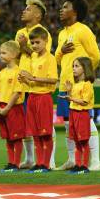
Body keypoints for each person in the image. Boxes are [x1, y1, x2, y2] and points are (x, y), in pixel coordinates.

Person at [54, 0, 100, 171]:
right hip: (65, 85)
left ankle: (95, 160)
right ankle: (72, 159)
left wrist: (84, 78)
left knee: (86, 121)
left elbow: (95, 56)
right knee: (69, 123)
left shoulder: (83, 30)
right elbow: (58, 59)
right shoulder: (61, 34)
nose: (61, 9)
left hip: (80, 86)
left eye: (65, 7)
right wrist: (62, 51)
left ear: (75, 12)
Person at [15, 0, 52, 169]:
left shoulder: (43, 33)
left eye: (28, 9)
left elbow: (39, 55)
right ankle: (31, 159)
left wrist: (24, 46)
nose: (24, 11)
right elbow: (16, 56)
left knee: (43, 125)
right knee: (27, 125)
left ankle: (47, 160)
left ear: (37, 15)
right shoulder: (20, 32)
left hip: (37, 85)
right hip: (22, 82)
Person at [19, 26, 58, 173]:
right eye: (32, 43)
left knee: (45, 133)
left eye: (37, 42)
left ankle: (45, 164)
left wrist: (32, 78)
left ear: (46, 41)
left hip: (44, 97)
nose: (34, 46)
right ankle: (39, 162)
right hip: (32, 96)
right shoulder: (33, 57)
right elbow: (32, 80)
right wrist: (25, 80)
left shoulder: (50, 58)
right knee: (35, 133)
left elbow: (53, 79)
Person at [60, 57, 96, 175]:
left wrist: (71, 98)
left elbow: (84, 101)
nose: (74, 69)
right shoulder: (76, 84)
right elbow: (73, 100)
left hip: (82, 114)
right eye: (73, 66)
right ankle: (78, 164)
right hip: (73, 113)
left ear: (85, 68)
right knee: (76, 141)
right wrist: (69, 92)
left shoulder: (87, 84)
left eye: (77, 66)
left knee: (83, 141)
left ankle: (84, 166)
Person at [0, 41, 25, 173]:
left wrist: (7, 108)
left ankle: (16, 164)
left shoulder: (19, 72)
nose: (0, 55)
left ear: (13, 54)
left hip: (13, 108)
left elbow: (17, 92)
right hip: (2, 107)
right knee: (7, 137)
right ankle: (10, 162)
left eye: (3, 52)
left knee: (16, 137)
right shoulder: (2, 73)